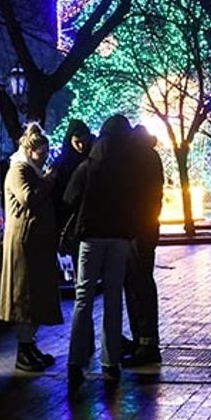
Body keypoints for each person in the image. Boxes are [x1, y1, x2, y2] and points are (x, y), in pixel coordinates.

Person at [62, 114, 136, 391]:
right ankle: (110, 362)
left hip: (91, 237)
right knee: (114, 297)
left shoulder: (89, 166)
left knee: (84, 298)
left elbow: (69, 198)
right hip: (118, 238)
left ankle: (75, 362)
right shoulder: (128, 170)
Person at [0, 123, 63, 373]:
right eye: (41, 152)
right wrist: (48, 181)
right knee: (25, 296)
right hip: (25, 244)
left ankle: (29, 345)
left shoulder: (29, 168)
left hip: (35, 243)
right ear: (30, 149)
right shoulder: (19, 169)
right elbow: (29, 199)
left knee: (33, 296)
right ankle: (24, 349)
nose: (45, 156)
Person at [122, 124, 165, 368]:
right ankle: (144, 340)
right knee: (141, 282)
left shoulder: (141, 158)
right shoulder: (150, 156)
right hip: (146, 228)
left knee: (139, 283)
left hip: (139, 229)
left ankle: (146, 341)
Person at [51, 119, 93, 284]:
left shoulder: (89, 160)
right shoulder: (63, 163)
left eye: (84, 141)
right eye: (77, 142)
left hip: (83, 222)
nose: (81, 146)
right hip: (69, 223)